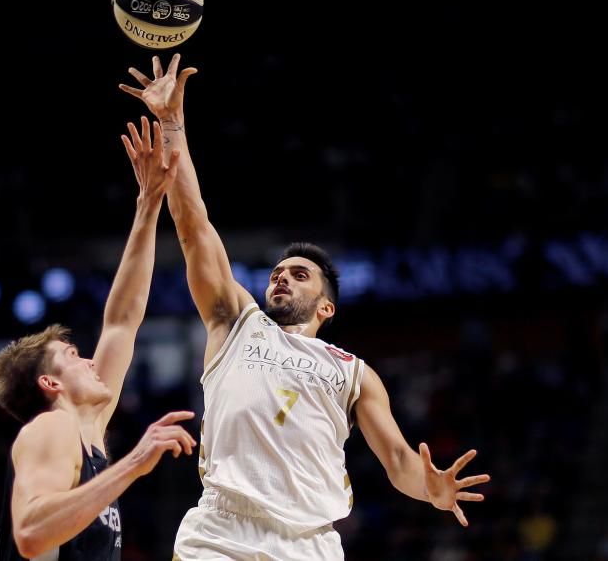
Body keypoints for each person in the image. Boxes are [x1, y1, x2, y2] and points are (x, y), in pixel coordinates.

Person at [120, 55, 491, 560]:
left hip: (308, 542)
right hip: (220, 530)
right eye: (277, 273)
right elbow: (194, 228)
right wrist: (171, 124)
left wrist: (433, 490)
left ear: (326, 307)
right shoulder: (237, 323)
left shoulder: (354, 373)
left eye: (299, 275)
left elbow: (401, 460)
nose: (281, 278)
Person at [0, 117, 197, 561]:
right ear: (51, 383)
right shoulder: (52, 427)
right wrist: (134, 464)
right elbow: (30, 532)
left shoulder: (88, 434)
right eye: (73, 356)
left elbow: (122, 320)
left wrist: (149, 205)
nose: (90, 361)